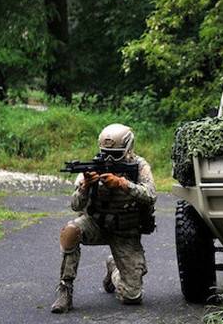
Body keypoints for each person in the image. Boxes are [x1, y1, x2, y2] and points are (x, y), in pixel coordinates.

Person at [51, 123, 156, 313]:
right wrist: (86, 187)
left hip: (125, 230)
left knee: (132, 296)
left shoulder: (140, 166)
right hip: (96, 224)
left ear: (128, 149)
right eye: (105, 153)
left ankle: (114, 269)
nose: (108, 159)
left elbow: (150, 196)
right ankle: (65, 288)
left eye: (114, 155)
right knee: (70, 231)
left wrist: (123, 184)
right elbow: (75, 205)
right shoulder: (92, 168)